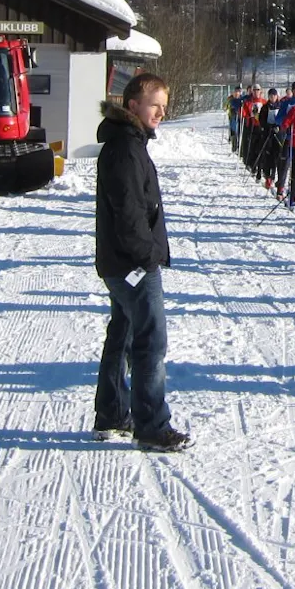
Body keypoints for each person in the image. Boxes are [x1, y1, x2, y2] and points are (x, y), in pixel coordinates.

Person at [93, 72, 191, 451]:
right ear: (133, 105)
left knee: (123, 334)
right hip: (131, 264)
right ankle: (151, 426)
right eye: (155, 105)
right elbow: (129, 213)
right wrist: (148, 256)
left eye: (165, 107)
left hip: (120, 262)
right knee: (150, 342)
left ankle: (112, 413)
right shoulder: (125, 148)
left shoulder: (129, 142)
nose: (161, 113)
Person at [257, 87, 283, 190]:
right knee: (268, 156)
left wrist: (279, 127)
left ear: (277, 96)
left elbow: (283, 119)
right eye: (271, 96)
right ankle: (268, 177)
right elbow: (261, 120)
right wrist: (268, 126)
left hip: (278, 135)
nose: (272, 97)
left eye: (274, 95)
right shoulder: (265, 107)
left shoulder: (280, 106)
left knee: (277, 157)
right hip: (268, 134)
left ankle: (274, 176)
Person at [227, 87, 244, 153]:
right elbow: (227, 106)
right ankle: (234, 147)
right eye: (236, 92)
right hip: (233, 117)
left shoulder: (242, 99)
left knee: (239, 131)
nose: (237, 93)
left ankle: (239, 147)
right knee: (234, 131)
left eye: (238, 92)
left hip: (240, 117)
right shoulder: (231, 99)